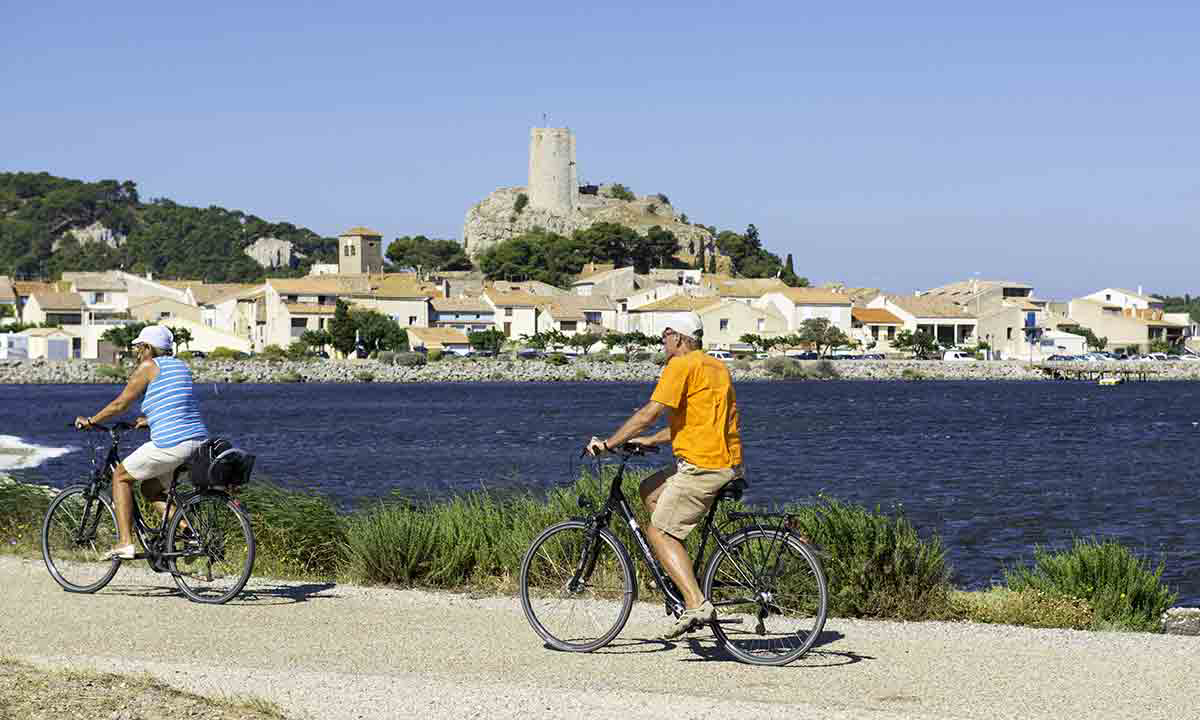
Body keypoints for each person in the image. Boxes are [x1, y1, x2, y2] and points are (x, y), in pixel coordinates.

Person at [586, 312, 743, 639]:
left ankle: (695, 601)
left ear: (680, 338)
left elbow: (648, 413)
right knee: (649, 491)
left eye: (666, 334)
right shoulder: (717, 367)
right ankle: (678, 566)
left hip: (701, 466)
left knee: (657, 532)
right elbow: (695, 424)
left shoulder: (680, 366)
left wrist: (609, 443)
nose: (662, 340)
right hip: (724, 462)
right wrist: (648, 440)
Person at [74, 325, 208, 560]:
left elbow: (120, 405)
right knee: (149, 488)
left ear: (148, 348)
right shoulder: (181, 367)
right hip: (197, 444)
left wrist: (91, 421)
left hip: (172, 443)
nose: (136, 353)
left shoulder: (148, 366)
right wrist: (150, 419)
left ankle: (125, 543)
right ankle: (189, 533)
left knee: (120, 476)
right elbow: (177, 402)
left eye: (138, 348)